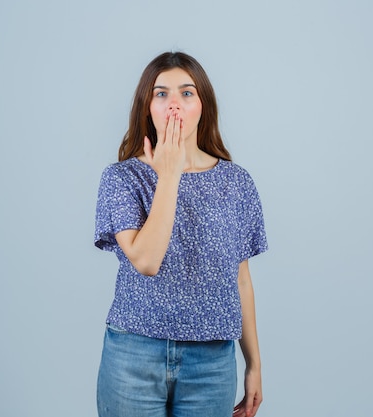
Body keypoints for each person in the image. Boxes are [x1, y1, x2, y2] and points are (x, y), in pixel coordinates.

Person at [94, 51, 268, 417]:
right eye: (162, 94)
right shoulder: (121, 179)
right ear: (147, 107)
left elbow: (241, 280)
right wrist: (169, 174)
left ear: (203, 105)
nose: (175, 104)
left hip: (212, 363)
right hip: (134, 354)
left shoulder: (237, 183)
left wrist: (253, 364)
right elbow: (146, 260)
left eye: (187, 93)